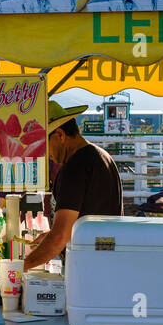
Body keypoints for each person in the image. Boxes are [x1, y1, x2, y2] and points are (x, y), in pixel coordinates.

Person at [21, 100, 124, 271]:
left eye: (43, 145)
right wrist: (50, 236)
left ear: (60, 135)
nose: (44, 154)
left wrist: (22, 266)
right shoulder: (101, 156)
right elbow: (86, 220)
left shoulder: (75, 167)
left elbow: (61, 236)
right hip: (109, 260)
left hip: (90, 267)